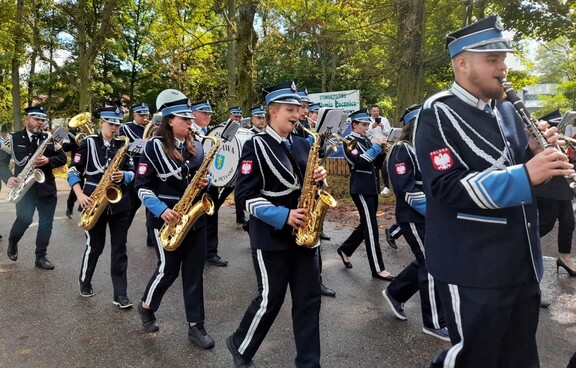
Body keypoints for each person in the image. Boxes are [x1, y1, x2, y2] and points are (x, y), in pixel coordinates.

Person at [414, 15, 575, 368]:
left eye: (503, 58)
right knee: (473, 357)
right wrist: (524, 174)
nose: (503, 67)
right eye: (492, 59)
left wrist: (535, 154)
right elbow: (444, 187)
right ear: (462, 62)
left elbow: (518, 172)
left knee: (519, 358)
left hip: (521, 264)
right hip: (473, 265)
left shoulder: (506, 108)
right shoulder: (438, 112)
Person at [226, 80, 327, 368]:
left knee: (309, 300)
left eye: (298, 109)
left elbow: (307, 187)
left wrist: (320, 181)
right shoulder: (254, 146)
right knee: (271, 299)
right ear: (272, 111)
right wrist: (283, 216)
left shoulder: (303, 142)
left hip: (305, 235)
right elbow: (244, 196)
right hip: (271, 235)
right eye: (290, 110)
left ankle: (309, 363)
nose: (297, 115)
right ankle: (240, 345)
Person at [135, 94, 215, 349]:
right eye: (185, 118)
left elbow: (207, 175)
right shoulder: (153, 146)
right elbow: (141, 186)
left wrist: (207, 182)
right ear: (170, 121)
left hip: (194, 216)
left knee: (194, 272)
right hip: (166, 218)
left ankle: (196, 326)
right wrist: (161, 210)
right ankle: (147, 306)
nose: (190, 123)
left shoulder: (199, 145)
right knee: (168, 270)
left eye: (191, 118)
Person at [381, 105, 448, 341]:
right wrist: (434, 212)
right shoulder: (402, 150)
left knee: (426, 259)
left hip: (431, 215)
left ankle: (394, 292)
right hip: (414, 216)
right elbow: (405, 189)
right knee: (432, 263)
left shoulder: (426, 147)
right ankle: (434, 322)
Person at [67, 107, 134, 308]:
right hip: (92, 201)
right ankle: (85, 281)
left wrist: (124, 176)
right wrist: (79, 195)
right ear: (101, 123)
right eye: (110, 123)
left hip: (119, 202)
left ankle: (120, 294)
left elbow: (133, 172)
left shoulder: (123, 144)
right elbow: (73, 171)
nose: (114, 128)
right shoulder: (88, 143)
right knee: (95, 246)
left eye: (117, 124)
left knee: (119, 248)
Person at [0, 106, 67, 269]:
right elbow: (1, 162)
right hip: (24, 189)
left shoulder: (50, 138)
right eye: (37, 119)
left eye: (43, 119)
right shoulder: (13, 139)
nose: (41, 122)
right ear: (27, 119)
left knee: (46, 223)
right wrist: (9, 178)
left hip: (47, 188)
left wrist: (48, 161)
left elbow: (63, 158)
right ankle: (12, 241)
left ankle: (41, 257)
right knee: (24, 220)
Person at [336, 109, 395, 281]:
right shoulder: (349, 142)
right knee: (371, 227)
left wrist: (382, 151)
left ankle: (345, 250)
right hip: (360, 188)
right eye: (363, 124)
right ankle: (377, 268)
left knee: (366, 224)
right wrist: (377, 147)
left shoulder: (366, 140)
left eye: (367, 124)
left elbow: (375, 164)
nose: (366, 127)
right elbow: (360, 161)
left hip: (371, 187)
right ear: (354, 124)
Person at [534, 111, 576, 277]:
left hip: (562, 188)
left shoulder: (562, 142)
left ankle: (565, 258)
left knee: (568, 223)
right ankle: (518, 245)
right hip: (547, 189)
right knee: (546, 224)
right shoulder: (540, 142)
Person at [192, 99, 229, 267]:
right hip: (195, 183)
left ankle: (210, 252)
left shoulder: (212, 132)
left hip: (211, 180)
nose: (207, 116)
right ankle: (194, 252)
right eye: (203, 113)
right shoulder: (190, 132)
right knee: (195, 219)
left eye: (209, 113)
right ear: (193, 114)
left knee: (211, 215)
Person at [119, 102, 155, 247]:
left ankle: (151, 238)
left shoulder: (154, 128)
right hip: (134, 170)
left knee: (151, 206)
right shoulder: (126, 128)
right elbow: (123, 149)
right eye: (141, 115)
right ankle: (121, 236)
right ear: (134, 115)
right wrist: (142, 143)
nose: (145, 117)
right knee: (132, 205)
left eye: (146, 114)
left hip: (151, 170)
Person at [368, 104, 392, 196]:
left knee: (384, 168)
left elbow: (389, 133)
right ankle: (376, 188)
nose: (376, 113)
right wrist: (372, 127)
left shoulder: (385, 120)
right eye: (374, 111)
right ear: (371, 112)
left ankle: (386, 187)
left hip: (383, 147)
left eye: (377, 111)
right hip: (372, 147)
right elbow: (365, 134)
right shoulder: (367, 121)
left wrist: (383, 127)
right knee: (375, 168)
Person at [62, 125, 81, 219]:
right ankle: (70, 206)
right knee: (77, 185)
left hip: (90, 163)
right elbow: (65, 147)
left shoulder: (92, 132)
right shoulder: (70, 133)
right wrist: (76, 142)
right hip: (78, 163)